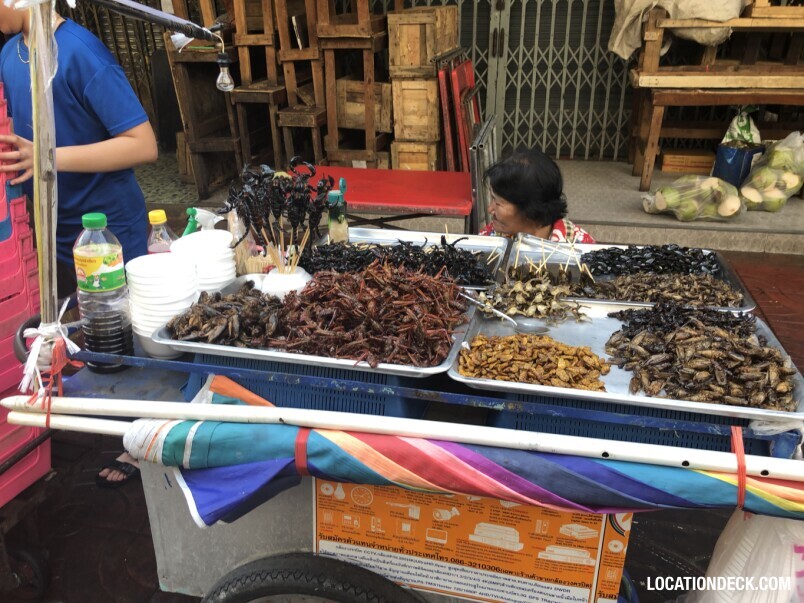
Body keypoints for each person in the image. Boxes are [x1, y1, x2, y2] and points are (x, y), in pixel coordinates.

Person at [0, 6, 158, 487]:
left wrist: (47, 156)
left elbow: (142, 143)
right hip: (51, 226)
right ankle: (105, 424)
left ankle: (143, 444)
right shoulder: (11, 54)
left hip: (107, 228)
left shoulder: (80, 53)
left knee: (128, 337)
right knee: (85, 333)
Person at [479, 148, 595, 243]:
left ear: (530, 211)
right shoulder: (490, 238)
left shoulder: (580, 247)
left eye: (497, 202)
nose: (490, 209)